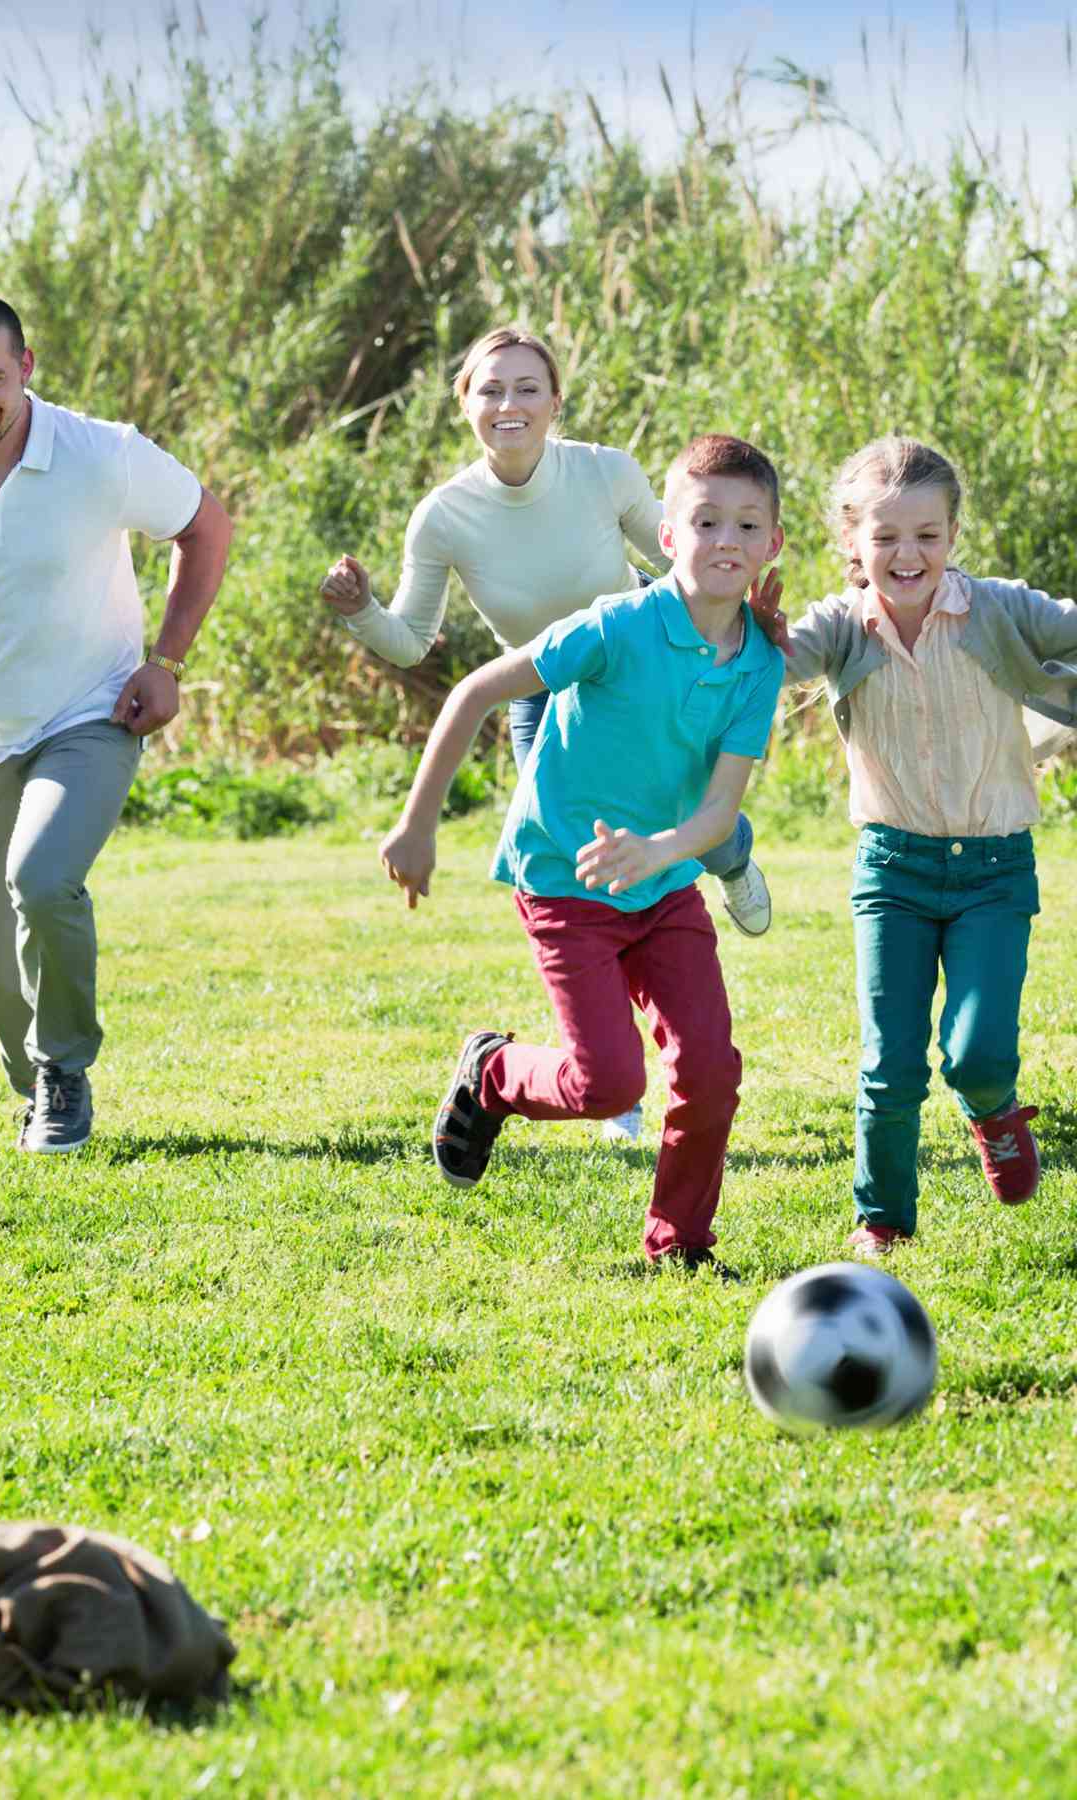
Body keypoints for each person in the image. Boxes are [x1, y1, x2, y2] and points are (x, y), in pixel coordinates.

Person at [321, 324, 774, 1145]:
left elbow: (683, 552)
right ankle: (613, 1082)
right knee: (585, 872)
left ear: (555, 402)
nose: (510, 404)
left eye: (528, 387)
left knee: (695, 810)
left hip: (648, 657)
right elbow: (414, 641)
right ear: (464, 403)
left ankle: (732, 855)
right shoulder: (446, 515)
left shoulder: (602, 472)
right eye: (490, 389)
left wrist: (744, 616)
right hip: (545, 684)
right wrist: (361, 615)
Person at [377, 434, 786, 1272]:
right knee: (609, 1086)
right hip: (566, 881)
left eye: (748, 525)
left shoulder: (759, 662)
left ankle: (679, 1244)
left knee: (709, 1068)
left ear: (773, 545)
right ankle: (494, 1074)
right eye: (706, 521)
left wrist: (658, 852)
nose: (727, 541)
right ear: (667, 535)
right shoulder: (616, 627)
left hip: (664, 883)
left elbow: (719, 812)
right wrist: (419, 824)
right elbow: (477, 690)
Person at [0, 292, 232, 1151]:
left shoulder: (102, 452)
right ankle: (35, 1080)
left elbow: (205, 526)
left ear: (26, 368)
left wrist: (167, 660)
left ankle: (65, 1071)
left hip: (91, 713)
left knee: (41, 878)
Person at [755, 435, 1077, 1256]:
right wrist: (759, 632)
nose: (908, 554)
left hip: (995, 872)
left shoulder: (999, 609)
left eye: (927, 537)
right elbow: (784, 663)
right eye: (887, 537)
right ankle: (883, 1221)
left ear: (953, 537)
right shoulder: (841, 625)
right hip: (891, 871)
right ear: (853, 543)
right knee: (889, 1067)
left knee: (976, 1053)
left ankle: (993, 1109)